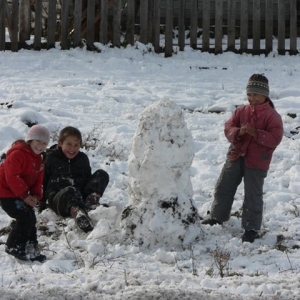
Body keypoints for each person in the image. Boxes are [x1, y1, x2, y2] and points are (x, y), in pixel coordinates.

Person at [202, 74, 283, 243]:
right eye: (249, 94)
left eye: (256, 95)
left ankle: (251, 227)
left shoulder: (272, 116)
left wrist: (257, 134)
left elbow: (275, 138)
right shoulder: (241, 111)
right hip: (236, 155)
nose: (252, 98)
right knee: (224, 186)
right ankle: (217, 216)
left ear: (265, 95)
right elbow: (228, 127)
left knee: (253, 194)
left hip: (257, 160)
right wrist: (238, 132)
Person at [40, 126, 109, 233]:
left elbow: (88, 179)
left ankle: (90, 203)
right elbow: (42, 181)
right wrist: (42, 203)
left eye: (76, 145)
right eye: (69, 144)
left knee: (102, 174)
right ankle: (78, 213)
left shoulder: (82, 159)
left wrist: (91, 191)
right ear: (60, 143)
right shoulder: (50, 158)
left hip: (79, 194)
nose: (72, 148)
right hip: (59, 198)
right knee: (70, 190)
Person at [0, 124, 50, 261]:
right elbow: (12, 177)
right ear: (30, 140)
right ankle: (13, 246)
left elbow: (38, 181)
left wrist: (35, 195)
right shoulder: (17, 154)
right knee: (24, 218)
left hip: (21, 194)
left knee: (31, 219)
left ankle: (31, 247)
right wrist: (25, 196)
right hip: (5, 193)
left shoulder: (39, 160)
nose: (40, 145)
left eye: (44, 143)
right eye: (37, 141)